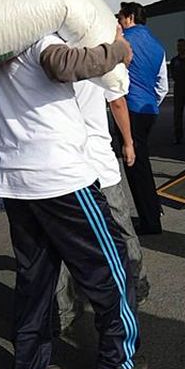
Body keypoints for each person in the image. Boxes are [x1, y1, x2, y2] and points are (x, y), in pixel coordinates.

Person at [0, 28, 146, 369]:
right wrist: (118, 48)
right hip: (61, 179)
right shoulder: (39, 36)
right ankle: (115, 363)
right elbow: (63, 64)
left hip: (16, 183)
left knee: (35, 281)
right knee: (110, 269)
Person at [56, 79, 151, 333]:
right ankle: (137, 285)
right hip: (100, 162)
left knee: (64, 239)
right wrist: (128, 142)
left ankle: (64, 309)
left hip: (66, 167)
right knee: (121, 227)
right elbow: (118, 103)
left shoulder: (53, 58)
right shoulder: (99, 59)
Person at [117, 1, 168, 236]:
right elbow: (162, 86)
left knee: (135, 167)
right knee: (142, 164)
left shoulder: (122, 40)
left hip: (130, 109)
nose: (118, 20)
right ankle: (152, 212)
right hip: (148, 110)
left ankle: (150, 221)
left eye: (120, 16)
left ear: (129, 17)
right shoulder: (158, 45)